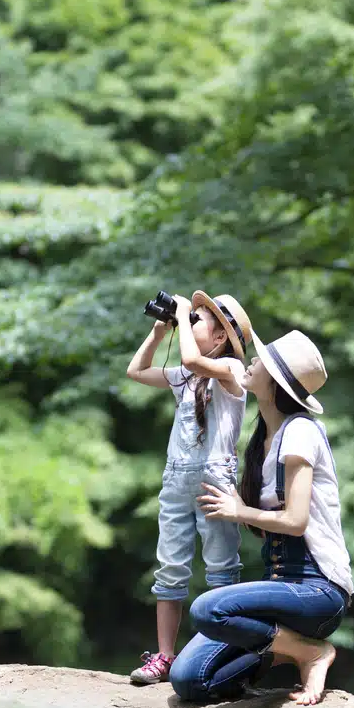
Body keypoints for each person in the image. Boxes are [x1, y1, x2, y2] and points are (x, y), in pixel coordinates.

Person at [168, 329, 353, 705]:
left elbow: (296, 521)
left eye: (261, 362)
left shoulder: (300, 431)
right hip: (280, 592)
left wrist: (240, 510)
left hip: (317, 590)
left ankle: (310, 652)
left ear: (276, 383)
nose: (252, 361)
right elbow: (260, 523)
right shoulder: (262, 439)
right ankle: (283, 649)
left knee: (208, 608)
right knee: (189, 680)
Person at [125, 291, 255, 685]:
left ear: (219, 338)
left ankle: (220, 650)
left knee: (220, 568)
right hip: (177, 481)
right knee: (170, 568)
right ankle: (165, 655)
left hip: (214, 482)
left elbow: (191, 359)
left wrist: (182, 314)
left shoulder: (232, 368)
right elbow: (136, 371)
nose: (190, 322)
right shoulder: (186, 376)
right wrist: (159, 332)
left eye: (198, 320)